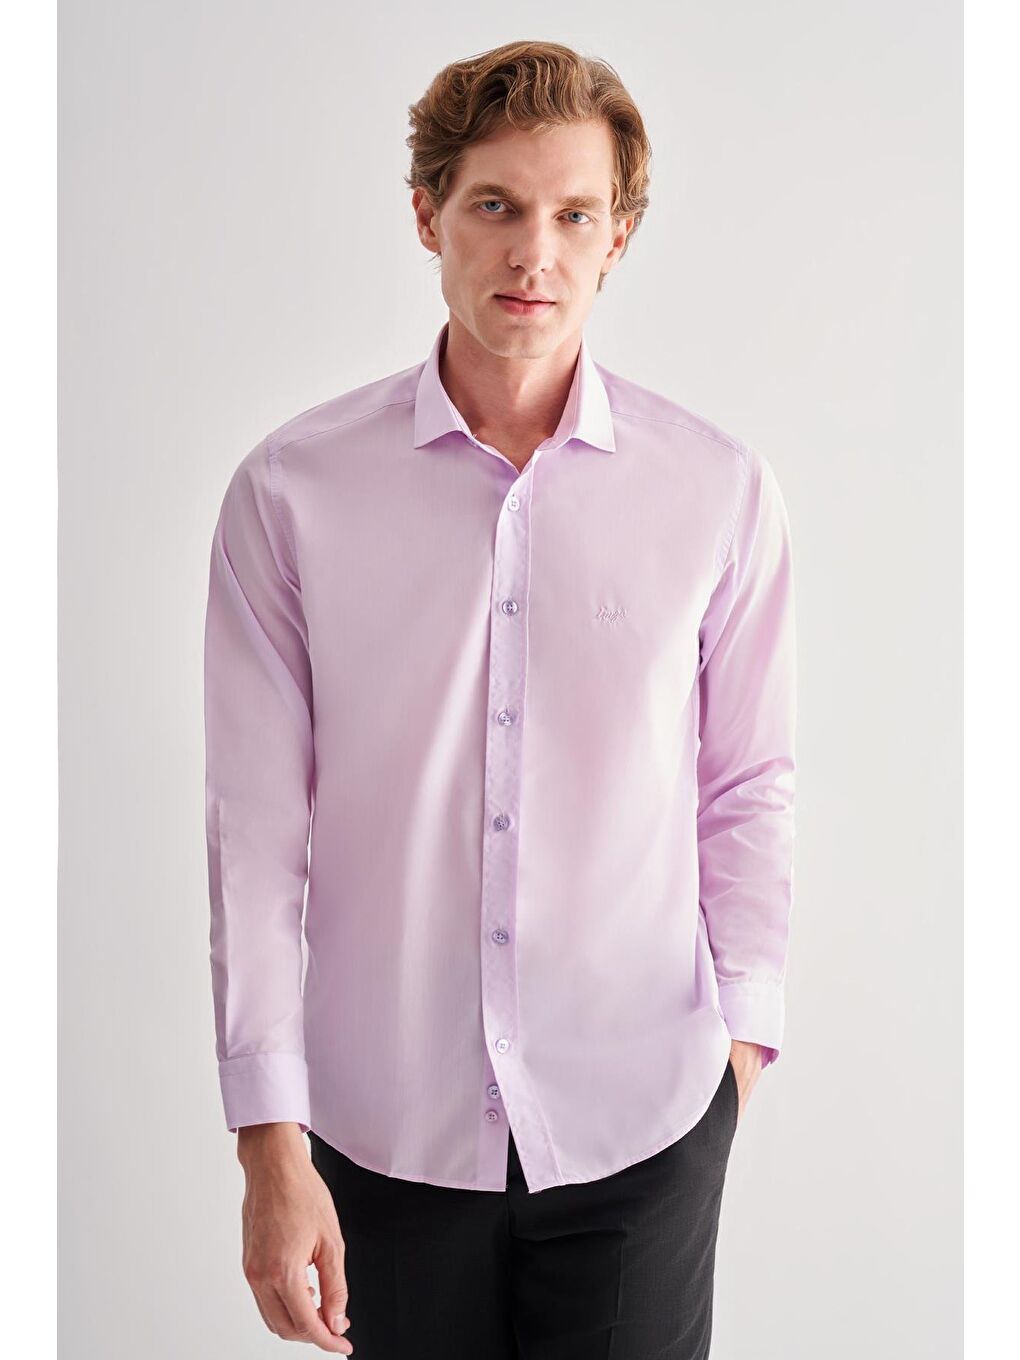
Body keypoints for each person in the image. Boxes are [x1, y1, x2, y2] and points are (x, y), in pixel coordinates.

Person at [203, 38, 797, 1360]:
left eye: (575, 214)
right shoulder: (290, 495)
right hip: (385, 1136)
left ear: (618, 237)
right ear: (428, 215)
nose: (536, 252)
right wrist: (268, 1139)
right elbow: (254, 834)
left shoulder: (716, 491)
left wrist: (741, 1050)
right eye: (497, 205)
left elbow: (749, 782)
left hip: (644, 1124)